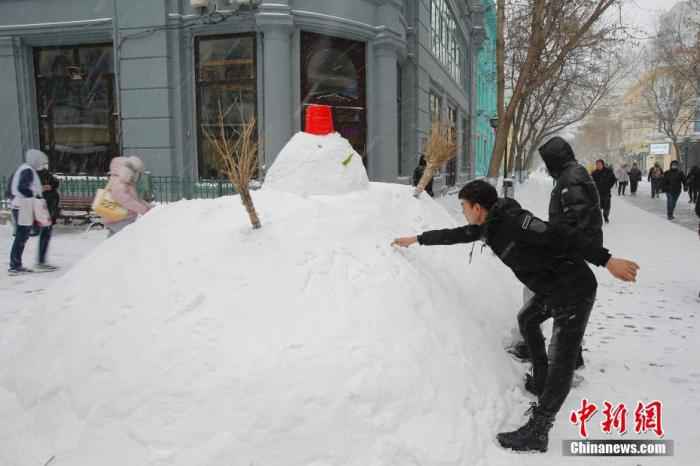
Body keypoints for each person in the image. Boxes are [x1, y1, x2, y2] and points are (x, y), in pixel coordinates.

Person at [392, 180, 639, 453]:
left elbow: (563, 236)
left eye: (464, 206)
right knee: (527, 320)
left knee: (563, 359)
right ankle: (541, 378)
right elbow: (457, 234)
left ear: (477, 207)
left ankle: (539, 429)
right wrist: (417, 239)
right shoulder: (489, 225)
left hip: (573, 289)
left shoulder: (516, 223)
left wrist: (607, 260)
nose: (462, 211)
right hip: (551, 288)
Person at [509, 137, 598, 376]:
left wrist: (553, 242)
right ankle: (567, 354)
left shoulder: (571, 179)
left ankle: (537, 348)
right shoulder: (570, 176)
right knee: (561, 302)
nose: (547, 168)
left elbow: (577, 221)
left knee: (541, 294)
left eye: (547, 162)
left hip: (569, 251)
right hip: (569, 248)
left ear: (554, 161)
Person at [8, 149, 52, 275]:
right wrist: (35, 194)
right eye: (41, 162)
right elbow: (22, 188)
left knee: (25, 235)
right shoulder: (27, 170)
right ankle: (15, 265)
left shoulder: (25, 168)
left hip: (21, 205)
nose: (42, 165)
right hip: (24, 206)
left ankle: (16, 264)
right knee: (22, 236)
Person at [102, 156, 152, 237]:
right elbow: (126, 200)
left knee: (116, 241)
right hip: (119, 218)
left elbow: (134, 199)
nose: (139, 177)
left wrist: (148, 207)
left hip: (121, 217)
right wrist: (143, 209)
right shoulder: (119, 183)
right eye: (138, 173)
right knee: (123, 239)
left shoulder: (125, 182)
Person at [35, 166, 60, 270]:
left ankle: (42, 260)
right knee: (45, 235)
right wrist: (43, 187)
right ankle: (41, 261)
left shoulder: (44, 173)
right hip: (45, 210)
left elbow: (55, 182)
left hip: (49, 209)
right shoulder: (37, 174)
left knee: (46, 235)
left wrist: (50, 186)